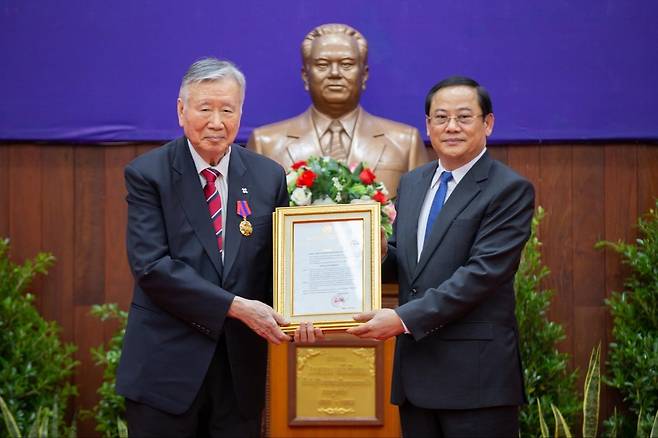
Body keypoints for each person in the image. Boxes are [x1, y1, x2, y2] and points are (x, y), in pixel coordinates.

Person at [115, 57, 321, 437]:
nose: (216, 121)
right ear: (181, 110)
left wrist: (308, 311)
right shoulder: (149, 174)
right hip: (166, 373)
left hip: (237, 374)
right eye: (205, 108)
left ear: (241, 112)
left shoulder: (266, 176)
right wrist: (237, 307)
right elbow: (152, 268)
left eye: (227, 109)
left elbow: (281, 263)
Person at [347, 76, 535, 437]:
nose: (451, 127)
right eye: (440, 117)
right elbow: (409, 264)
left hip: (476, 382)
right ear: (427, 125)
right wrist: (377, 250)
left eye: (464, 117)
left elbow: (480, 276)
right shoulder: (414, 182)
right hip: (416, 377)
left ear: (488, 124)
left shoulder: (508, 189)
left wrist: (401, 319)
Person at [247, 23, 429, 197]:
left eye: (347, 64)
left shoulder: (405, 143)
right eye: (322, 65)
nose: (334, 73)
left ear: (364, 74)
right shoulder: (265, 144)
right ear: (305, 75)